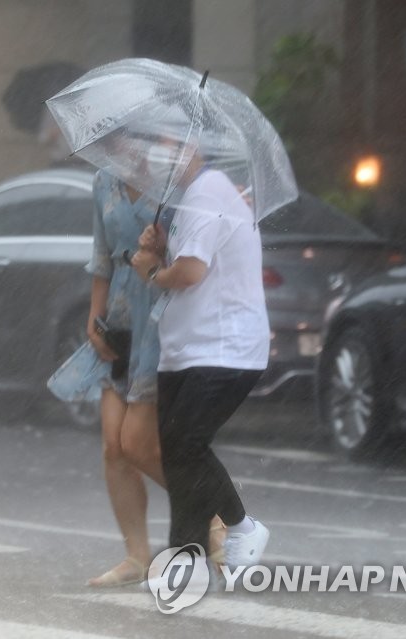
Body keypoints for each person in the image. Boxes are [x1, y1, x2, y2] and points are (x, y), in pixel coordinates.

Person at [48, 166, 226, 587]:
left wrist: (159, 248)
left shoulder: (175, 182)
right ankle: (136, 555)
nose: (121, 144)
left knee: (139, 445)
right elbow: (102, 258)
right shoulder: (104, 181)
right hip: (121, 320)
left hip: (163, 318)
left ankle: (215, 515)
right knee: (114, 447)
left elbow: (194, 255)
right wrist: (96, 317)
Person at [131, 144, 271, 569]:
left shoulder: (208, 192)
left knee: (186, 446)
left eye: (169, 143)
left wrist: (152, 271)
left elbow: (191, 272)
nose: (157, 152)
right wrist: (157, 250)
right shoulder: (189, 197)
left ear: (192, 147)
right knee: (176, 457)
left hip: (223, 347)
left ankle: (242, 525)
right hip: (186, 346)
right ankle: (185, 557)